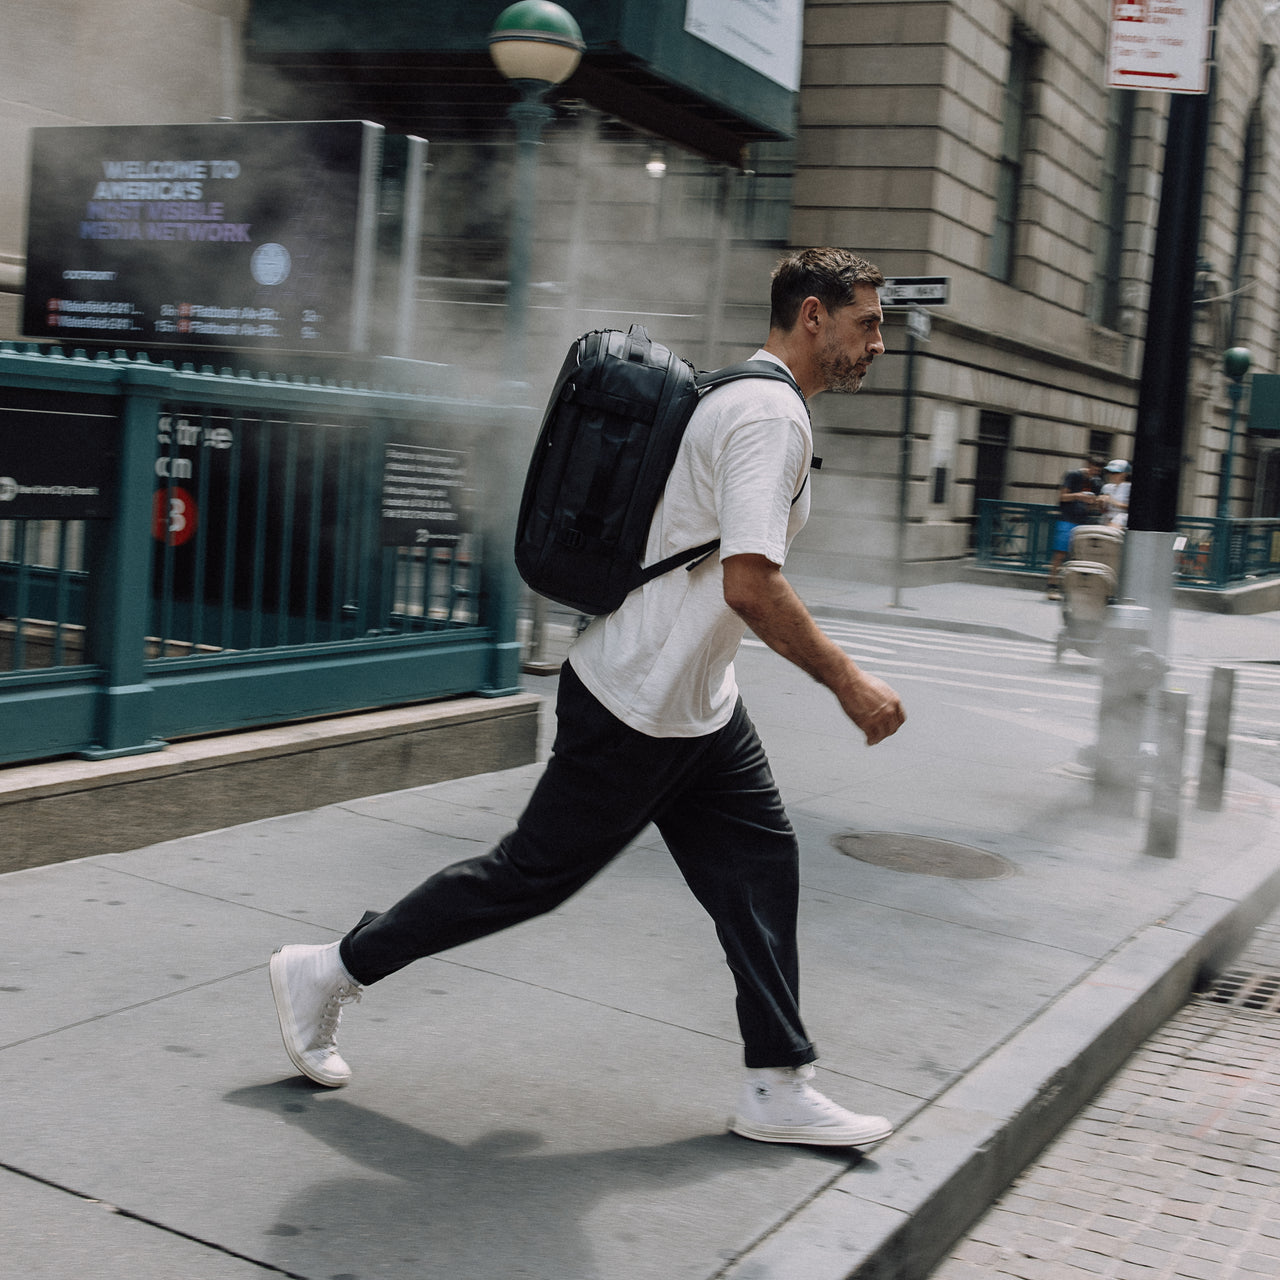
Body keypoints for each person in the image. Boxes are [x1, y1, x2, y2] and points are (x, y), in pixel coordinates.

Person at [268, 248, 907, 1149]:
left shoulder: (742, 397)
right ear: (812, 316)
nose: (880, 341)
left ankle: (776, 1081)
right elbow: (751, 584)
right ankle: (329, 969)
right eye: (867, 322)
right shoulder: (769, 418)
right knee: (528, 878)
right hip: (638, 701)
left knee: (760, 869)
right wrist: (850, 682)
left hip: (697, 703)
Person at [1046, 454, 1104, 599]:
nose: (1094, 473)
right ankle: (1052, 585)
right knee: (1060, 554)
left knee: (1079, 556)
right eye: (1093, 470)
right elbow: (1062, 497)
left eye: (1097, 471)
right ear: (1088, 465)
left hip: (1083, 521)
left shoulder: (1097, 483)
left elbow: (1095, 505)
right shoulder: (1073, 475)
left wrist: (1096, 502)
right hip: (1067, 518)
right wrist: (1079, 496)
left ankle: (1072, 588)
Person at [1101, 458, 1130, 528]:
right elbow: (1103, 510)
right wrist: (1100, 503)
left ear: (1124, 474)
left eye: (1115, 473)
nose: (1111, 475)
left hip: (1121, 520)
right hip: (1106, 520)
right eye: (1109, 472)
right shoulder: (1106, 487)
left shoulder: (1129, 487)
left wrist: (1113, 502)